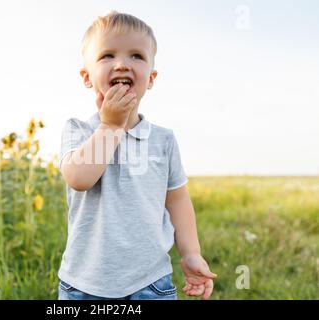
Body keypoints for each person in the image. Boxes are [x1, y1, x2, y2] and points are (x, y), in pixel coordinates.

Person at [57, 11, 217, 300]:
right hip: (84, 284)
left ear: (151, 78)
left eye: (136, 56)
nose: (121, 64)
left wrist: (191, 253)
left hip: (150, 282)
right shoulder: (78, 130)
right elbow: (79, 178)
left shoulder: (163, 139)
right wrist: (110, 126)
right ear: (87, 77)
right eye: (107, 56)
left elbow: (177, 200)